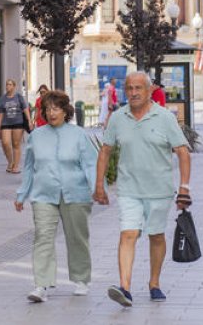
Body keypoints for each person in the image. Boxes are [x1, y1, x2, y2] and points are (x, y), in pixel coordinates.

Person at [94, 70, 192, 308]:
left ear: (150, 91)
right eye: (129, 88)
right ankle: (125, 288)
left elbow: (182, 152)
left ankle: (154, 283)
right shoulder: (118, 118)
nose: (134, 92)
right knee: (128, 233)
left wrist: (184, 188)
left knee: (156, 235)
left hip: (159, 190)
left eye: (139, 88)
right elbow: (105, 150)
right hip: (128, 189)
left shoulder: (164, 118)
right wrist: (99, 185)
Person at [15, 90, 98, 303]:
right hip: (43, 194)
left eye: (56, 108)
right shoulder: (36, 136)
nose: (51, 113)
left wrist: (98, 188)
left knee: (77, 237)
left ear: (65, 111)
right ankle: (41, 285)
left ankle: (81, 280)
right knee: (42, 236)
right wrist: (22, 194)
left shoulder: (78, 134)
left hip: (76, 193)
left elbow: (90, 164)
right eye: (48, 109)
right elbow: (28, 168)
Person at [0, 79, 31, 174]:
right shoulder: (3, 99)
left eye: (10, 84)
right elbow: (0, 114)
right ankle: (10, 161)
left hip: (18, 123)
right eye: (7, 84)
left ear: (14, 86)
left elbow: (25, 109)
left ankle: (15, 166)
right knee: (6, 143)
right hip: (5, 124)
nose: (7, 86)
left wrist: (29, 121)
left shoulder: (19, 97)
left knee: (16, 144)